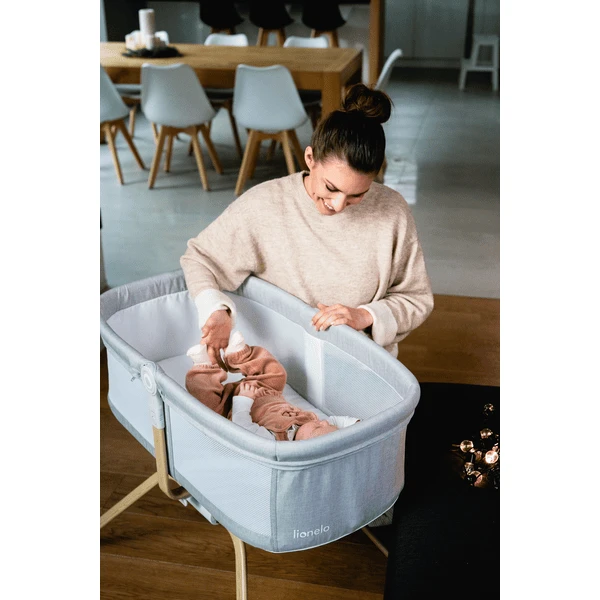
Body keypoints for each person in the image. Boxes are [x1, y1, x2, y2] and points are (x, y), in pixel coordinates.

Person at [180, 82, 434, 369]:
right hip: (282, 366)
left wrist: (364, 316)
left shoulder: (392, 211)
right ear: (310, 158)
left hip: (360, 365)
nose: (338, 205)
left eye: (357, 195)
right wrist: (215, 310)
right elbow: (200, 258)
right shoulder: (266, 204)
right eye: (331, 187)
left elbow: (415, 298)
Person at [186, 331, 359, 441]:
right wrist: (358, 425)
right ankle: (239, 356)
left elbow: (244, 428)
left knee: (206, 404)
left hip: (232, 405)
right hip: (266, 391)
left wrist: (243, 399)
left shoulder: (275, 440)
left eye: (318, 427)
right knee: (277, 374)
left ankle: (204, 366)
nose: (323, 422)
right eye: (326, 424)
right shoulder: (314, 424)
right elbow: (335, 421)